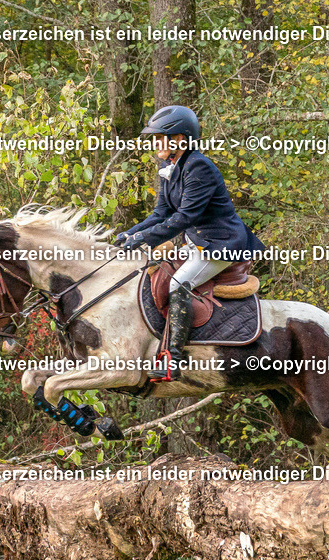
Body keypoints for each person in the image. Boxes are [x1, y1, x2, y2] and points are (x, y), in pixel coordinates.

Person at [114, 105, 265, 381]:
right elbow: (161, 213)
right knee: (157, 272)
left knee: (178, 283)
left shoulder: (199, 167)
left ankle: (173, 358)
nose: (154, 142)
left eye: (160, 137)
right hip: (198, 242)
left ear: (180, 139)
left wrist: (143, 238)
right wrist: (131, 233)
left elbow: (185, 217)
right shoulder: (169, 165)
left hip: (221, 244)